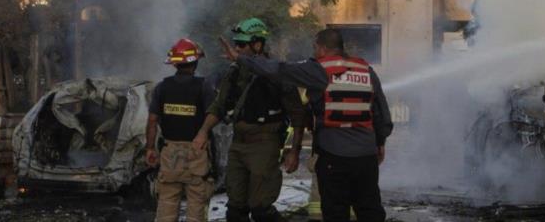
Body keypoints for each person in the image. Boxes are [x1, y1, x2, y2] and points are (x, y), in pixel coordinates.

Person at [226, 28, 393, 222]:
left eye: (314, 47)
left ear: (322, 48)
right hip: (366, 156)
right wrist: (380, 142)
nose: (313, 51)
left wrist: (241, 59)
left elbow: (279, 69)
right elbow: (381, 112)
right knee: (370, 210)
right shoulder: (366, 70)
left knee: (335, 211)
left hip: (333, 155)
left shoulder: (318, 69)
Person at [192, 18, 307, 222]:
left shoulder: (278, 73)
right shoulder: (235, 72)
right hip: (238, 144)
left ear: (257, 44)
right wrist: (202, 132)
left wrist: (294, 152)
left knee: (261, 209)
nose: (236, 48)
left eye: (241, 44)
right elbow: (219, 105)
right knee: (235, 209)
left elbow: (298, 115)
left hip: (265, 143)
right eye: (236, 43)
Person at [146, 38, 216, 222]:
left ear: (174, 64)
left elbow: (152, 121)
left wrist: (150, 149)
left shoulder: (162, 87)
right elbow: (214, 114)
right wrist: (203, 133)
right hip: (197, 152)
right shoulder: (204, 86)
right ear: (195, 62)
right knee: (196, 206)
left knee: (166, 206)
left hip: (170, 154)